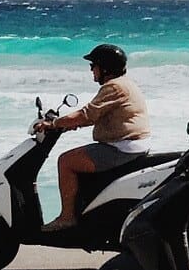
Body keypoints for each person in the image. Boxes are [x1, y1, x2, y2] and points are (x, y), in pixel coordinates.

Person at [35, 43, 151, 231]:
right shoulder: (125, 84)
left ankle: (67, 218)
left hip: (122, 147)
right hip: (130, 144)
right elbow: (95, 116)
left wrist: (53, 124)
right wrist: (70, 125)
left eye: (93, 65)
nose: (91, 70)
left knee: (66, 162)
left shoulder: (114, 87)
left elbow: (86, 114)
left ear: (105, 68)